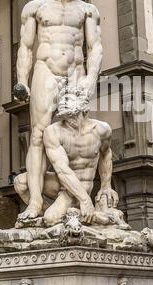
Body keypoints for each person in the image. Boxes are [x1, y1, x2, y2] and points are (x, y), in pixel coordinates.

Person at [14, 0, 102, 221]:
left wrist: (91, 78)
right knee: (39, 136)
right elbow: (26, 48)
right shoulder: (34, 8)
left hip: (77, 74)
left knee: (76, 135)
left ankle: (76, 195)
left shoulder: (87, 10)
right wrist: (21, 80)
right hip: (45, 72)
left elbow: (95, 47)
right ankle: (36, 202)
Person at [14, 87, 119, 225]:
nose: (69, 120)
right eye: (65, 116)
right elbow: (62, 169)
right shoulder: (53, 132)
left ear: (84, 109)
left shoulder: (102, 130)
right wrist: (85, 200)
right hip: (62, 181)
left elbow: (106, 153)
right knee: (20, 182)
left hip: (83, 184)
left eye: (72, 115)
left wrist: (106, 186)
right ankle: (50, 213)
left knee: (51, 218)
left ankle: (78, 216)